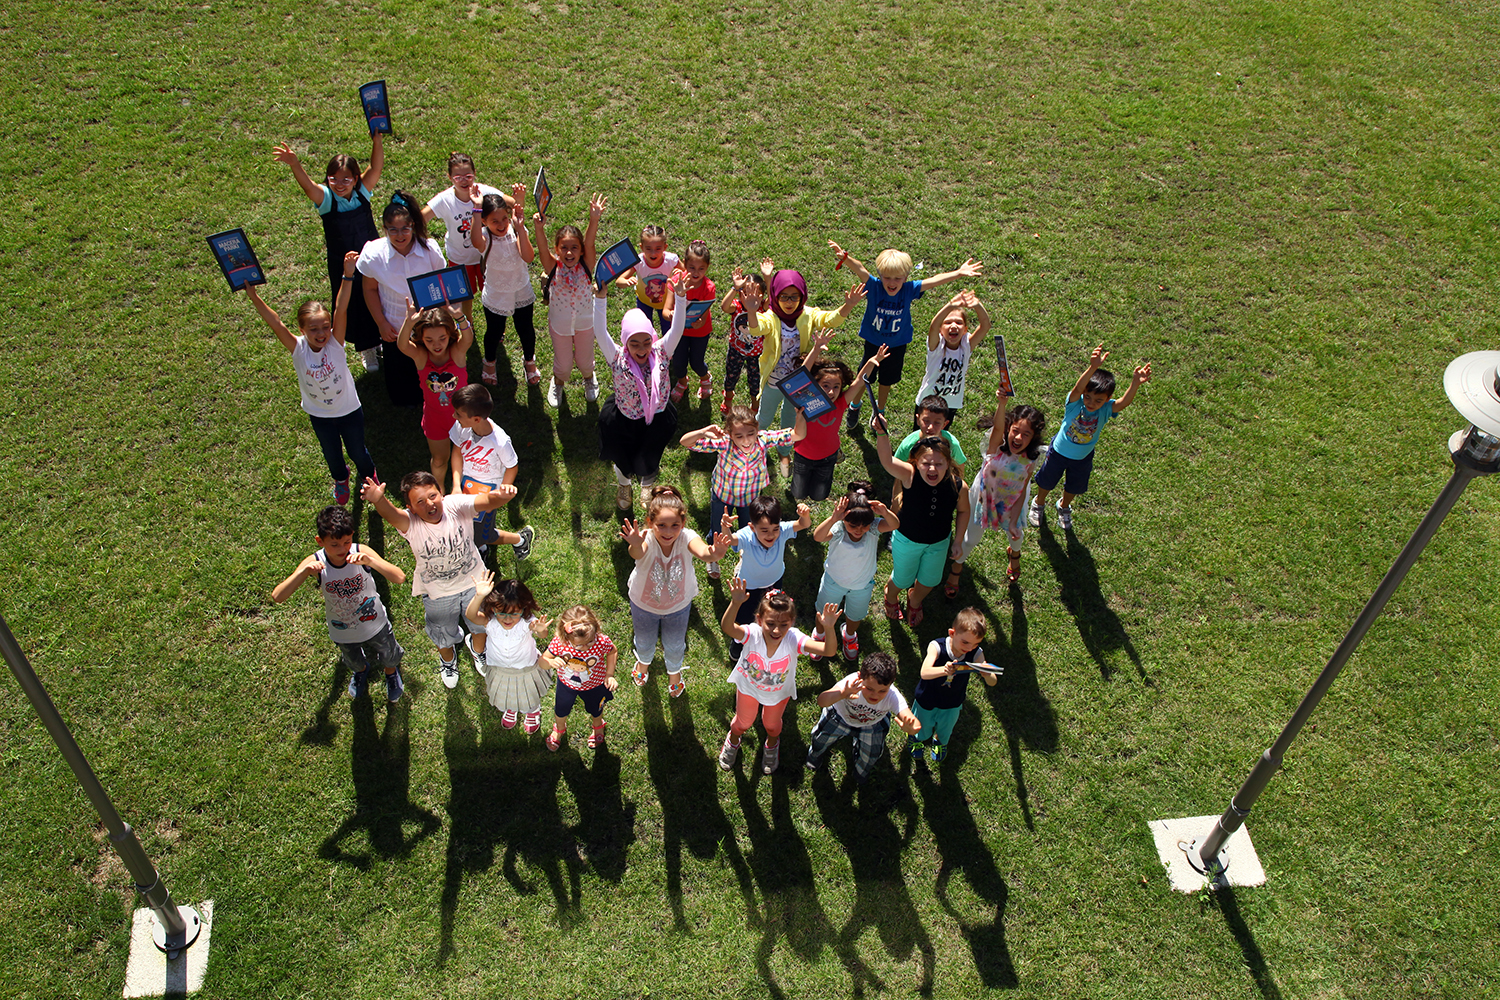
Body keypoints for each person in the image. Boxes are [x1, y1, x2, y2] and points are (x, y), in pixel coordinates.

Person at [360, 471, 518, 689]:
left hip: (475, 585)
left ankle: (478, 650)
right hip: (437, 594)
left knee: (481, 624)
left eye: (433, 496)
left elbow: (487, 500)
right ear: (411, 508)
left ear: (441, 493)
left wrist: (503, 495)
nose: (429, 504)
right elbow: (391, 515)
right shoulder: (411, 524)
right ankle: (448, 660)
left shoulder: (456, 505)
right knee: (443, 633)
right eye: (420, 502)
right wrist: (378, 500)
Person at [243, 251, 375, 504]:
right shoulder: (297, 348)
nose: (321, 333)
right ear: (302, 330)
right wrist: (255, 298)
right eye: (313, 329)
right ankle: (341, 478)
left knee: (358, 450)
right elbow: (275, 322)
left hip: (349, 410)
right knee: (332, 454)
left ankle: (370, 478)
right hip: (320, 416)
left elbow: (341, 307)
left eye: (325, 326)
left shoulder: (336, 343)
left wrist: (348, 275)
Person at [825, 241, 982, 430]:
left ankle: (879, 411)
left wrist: (958, 273)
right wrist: (845, 258)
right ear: (880, 275)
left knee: (887, 381)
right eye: (887, 277)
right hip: (873, 343)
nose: (892, 283)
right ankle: (855, 405)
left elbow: (934, 280)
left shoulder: (909, 290)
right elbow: (860, 269)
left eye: (897, 278)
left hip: (897, 345)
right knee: (864, 376)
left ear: (906, 276)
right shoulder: (874, 287)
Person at [270, 505, 406, 703]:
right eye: (334, 545)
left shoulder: (361, 552)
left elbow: (399, 577)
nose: (343, 549)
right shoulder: (316, 562)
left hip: (375, 622)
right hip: (342, 629)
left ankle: (391, 673)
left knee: (389, 655)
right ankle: (360, 672)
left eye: (347, 541)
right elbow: (278, 596)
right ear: (320, 541)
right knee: (353, 660)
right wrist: (303, 572)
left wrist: (371, 561)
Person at [271, 135, 384, 372]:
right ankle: (367, 349)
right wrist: (295, 164)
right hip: (344, 266)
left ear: (355, 179)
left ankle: (382, 337)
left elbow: (375, 167)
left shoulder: (363, 191)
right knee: (353, 305)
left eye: (346, 179)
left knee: (380, 297)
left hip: (373, 261)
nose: (339, 184)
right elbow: (308, 185)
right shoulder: (325, 199)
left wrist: (377, 140)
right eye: (333, 179)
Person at [744, 270, 866, 478]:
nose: (789, 302)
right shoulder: (770, 317)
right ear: (775, 296)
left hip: (799, 382)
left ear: (802, 296)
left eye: (794, 296)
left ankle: (784, 453)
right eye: (784, 296)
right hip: (774, 381)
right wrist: (752, 312)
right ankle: (750, 446)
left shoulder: (808, 315)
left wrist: (849, 305)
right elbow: (756, 329)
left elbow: (832, 319)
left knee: (789, 420)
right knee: (764, 418)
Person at [718, 583, 839, 775]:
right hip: (749, 688)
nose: (776, 630)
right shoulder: (752, 633)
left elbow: (829, 650)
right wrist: (735, 603)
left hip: (778, 693)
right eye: (770, 624)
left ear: (792, 622)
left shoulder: (793, 639)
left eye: (783, 625)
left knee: (772, 726)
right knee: (742, 722)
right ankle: (733, 740)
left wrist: (829, 628)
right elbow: (728, 627)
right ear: (759, 620)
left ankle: (772, 745)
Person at [620, 486, 730, 699]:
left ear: (683, 524)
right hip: (643, 605)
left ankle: (674, 672)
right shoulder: (645, 538)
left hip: (678, 606)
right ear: (650, 523)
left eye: (674, 525)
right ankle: (643, 663)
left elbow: (705, 553)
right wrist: (634, 543)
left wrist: (717, 551)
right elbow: (637, 552)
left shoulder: (687, 536)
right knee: (644, 640)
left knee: (675, 643)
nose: (668, 532)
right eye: (661, 525)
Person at [1027, 345, 1152, 531]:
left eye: (1098, 400)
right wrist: (1092, 367)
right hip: (1059, 452)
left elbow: (1123, 403)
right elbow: (1078, 388)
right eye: (1088, 397)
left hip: (1082, 458)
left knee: (1074, 486)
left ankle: (1064, 506)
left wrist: (1135, 384)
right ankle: (1039, 502)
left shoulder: (1106, 409)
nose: (1092, 403)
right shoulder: (1074, 403)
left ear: (1108, 398)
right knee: (1047, 480)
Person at [594, 271, 689, 510]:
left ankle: (647, 485)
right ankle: (624, 484)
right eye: (634, 343)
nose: (642, 348)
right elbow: (599, 331)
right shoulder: (617, 357)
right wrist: (600, 300)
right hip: (623, 420)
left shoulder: (661, 351)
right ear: (625, 343)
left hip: (656, 418)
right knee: (623, 458)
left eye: (646, 341)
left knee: (650, 456)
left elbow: (677, 329)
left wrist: (679, 298)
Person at [679, 405, 802, 578]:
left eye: (750, 433)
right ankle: (712, 557)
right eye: (739, 436)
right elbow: (685, 442)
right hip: (723, 497)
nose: (746, 440)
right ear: (730, 434)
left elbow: (798, 434)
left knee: (748, 530)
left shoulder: (763, 439)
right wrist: (704, 431)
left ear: (757, 429)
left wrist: (800, 417)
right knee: (717, 529)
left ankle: (744, 556)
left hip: (750, 499)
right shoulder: (724, 443)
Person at [872, 424, 969, 628]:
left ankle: (915, 600)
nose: (932, 468)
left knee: (931, 580)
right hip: (907, 540)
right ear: (916, 463)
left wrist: (958, 540)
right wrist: (882, 433)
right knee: (901, 578)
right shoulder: (910, 476)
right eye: (926, 463)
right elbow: (887, 461)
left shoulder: (959, 486)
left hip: (938, 544)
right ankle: (891, 596)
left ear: (948, 463)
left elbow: (963, 511)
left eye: (939, 463)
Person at [356, 191, 445, 406]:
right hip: (395, 326)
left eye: (405, 228)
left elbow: (442, 284)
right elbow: (369, 290)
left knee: (430, 372)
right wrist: (381, 323)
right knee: (400, 388)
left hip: (427, 326)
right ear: (385, 229)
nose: (400, 235)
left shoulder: (430, 249)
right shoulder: (373, 253)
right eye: (393, 230)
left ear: (413, 226)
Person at [952, 393, 1046, 589]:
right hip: (984, 498)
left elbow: (1022, 489)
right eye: (1015, 430)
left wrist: (1012, 522)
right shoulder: (995, 447)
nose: (1018, 437)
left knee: (1016, 535)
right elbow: (997, 429)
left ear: (1033, 438)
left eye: (1026, 434)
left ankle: (1015, 554)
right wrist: (1002, 404)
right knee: (971, 539)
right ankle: (956, 568)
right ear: (1007, 429)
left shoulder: (1031, 458)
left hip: (1013, 500)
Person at [789, 329, 887, 501]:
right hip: (803, 456)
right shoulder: (806, 401)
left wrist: (872, 362)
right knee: (798, 493)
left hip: (828, 457)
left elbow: (858, 383)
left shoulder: (841, 403)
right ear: (814, 384)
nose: (831, 391)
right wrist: (817, 348)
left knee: (820, 495)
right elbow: (801, 376)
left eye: (836, 386)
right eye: (825, 385)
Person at [809, 483, 899, 663]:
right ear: (844, 519)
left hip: (861, 586)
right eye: (853, 525)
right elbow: (818, 536)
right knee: (824, 613)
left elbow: (894, 524)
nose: (859, 530)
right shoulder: (839, 529)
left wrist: (885, 511)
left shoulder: (873, 528)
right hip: (833, 582)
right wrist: (834, 518)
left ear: (871, 521)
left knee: (855, 616)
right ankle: (819, 634)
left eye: (864, 525)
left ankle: (849, 635)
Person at [719, 496, 813, 666]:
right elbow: (729, 541)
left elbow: (804, 524)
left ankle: (764, 637)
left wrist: (804, 515)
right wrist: (725, 527)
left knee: (771, 614)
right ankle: (738, 643)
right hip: (749, 587)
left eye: (775, 529)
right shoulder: (746, 536)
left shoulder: (783, 531)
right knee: (744, 617)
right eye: (764, 530)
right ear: (752, 527)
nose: (771, 535)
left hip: (774, 582)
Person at [804, 652, 921, 784]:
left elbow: (912, 721)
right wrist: (842, 694)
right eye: (869, 688)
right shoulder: (850, 684)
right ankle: (815, 754)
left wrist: (912, 728)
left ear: (891, 684)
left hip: (872, 725)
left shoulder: (893, 696)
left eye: (882, 691)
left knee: (872, 754)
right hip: (839, 717)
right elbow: (822, 701)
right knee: (820, 738)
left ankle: (861, 770)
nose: (875, 695)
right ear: (860, 677)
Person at [448, 384, 535, 559]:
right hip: (465, 486)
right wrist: (456, 485)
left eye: (458, 414)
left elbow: (512, 466)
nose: (454, 416)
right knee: (463, 524)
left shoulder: (501, 442)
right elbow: (457, 453)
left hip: (487, 492)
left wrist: (501, 492)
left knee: (484, 534)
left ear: (476, 419)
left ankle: (520, 539)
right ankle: (480, 549)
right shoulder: (461, 427)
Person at [534, 195, 606, 407]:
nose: (569, 252)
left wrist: (594, 220)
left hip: (585, 323)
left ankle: (588, 379)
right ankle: (557, 382)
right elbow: (541, 248)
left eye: (574, 247)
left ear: (581, 250)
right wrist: (539, 228)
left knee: (585, 362)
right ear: (557, 250)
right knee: (563, 365)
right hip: (560, 325)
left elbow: (590, 241)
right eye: (564, 248)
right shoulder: (553, 267)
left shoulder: (587, 265)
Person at [396, 300, 472, 491]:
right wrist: (409, 322)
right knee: (439, 461)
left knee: (464, 458)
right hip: (435, 418)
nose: (436, 345)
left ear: (450, 335)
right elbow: (403, 345)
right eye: (429, 340)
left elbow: (468, 338)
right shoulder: (422, 357)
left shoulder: (456, 352)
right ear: (422, 338)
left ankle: (461, 494)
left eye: (442, 338)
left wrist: (459, 317)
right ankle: (439, 493)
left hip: (463, 418)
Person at [464, 572, 553, 733]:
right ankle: (511, 708)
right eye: (501, 613)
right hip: (500, 669)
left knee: (529, 693)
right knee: (507, 692)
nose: (507, 618)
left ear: (524, 609)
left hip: (526, 669)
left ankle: (532, 710)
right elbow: (470, 615)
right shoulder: (490, 621)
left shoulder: (527, 622)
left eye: (514, 614)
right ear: (493, 609)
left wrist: (541, 630)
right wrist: (478, 596)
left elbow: (541, 634)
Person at [908, 608, 998, 764]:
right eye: (965, 642)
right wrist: (944, 670)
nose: (969, 648)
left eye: (975, 644)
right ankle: (917, 739)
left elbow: (993, 682)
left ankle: (940, 741)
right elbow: (924, 672)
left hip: (952, 702)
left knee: (945, 728)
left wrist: (987, 673)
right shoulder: (936, 646)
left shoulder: (976, 653)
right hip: (927, 698)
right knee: (921, 725)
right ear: (952, 633)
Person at [420, 152, 501, 323]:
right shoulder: (444, 200)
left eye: (468, 176)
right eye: (458, 177)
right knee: (466, 295)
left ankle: (494, 325)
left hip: (484, 256)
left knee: (491, 292)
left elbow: (508, 202)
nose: (464, 181)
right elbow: (421, 219)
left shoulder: (484, 192)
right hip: (459, 258)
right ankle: (468, 323)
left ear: (475, 173)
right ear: (449, 177)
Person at [470, 187, 538, 386]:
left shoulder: (515, 231)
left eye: (504, 219)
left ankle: (529, 361)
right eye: (494, 221)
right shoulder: (485, 237)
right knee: (494, 331)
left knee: (526, 329)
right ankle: (489, 362)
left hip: (520, 290)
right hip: (496, 293)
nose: (501, 225)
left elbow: (528, 257)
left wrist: (520, 229)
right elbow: (475, 241)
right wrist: (476, 207)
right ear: (484, 221)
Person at [538, 606, 618, 751]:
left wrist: (609, 674)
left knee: (596, 708)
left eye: (590, 642)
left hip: (595, 685)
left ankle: (598, 725)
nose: (586, 648)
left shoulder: (601, 641)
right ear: (566, 636)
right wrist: (550, 662)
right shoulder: (560, 643)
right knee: (561, 709)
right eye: (580, 645)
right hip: (566, 685)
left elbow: (612, 651)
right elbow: (542, 661)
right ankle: (559, 728)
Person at [915, 289, 991, 415]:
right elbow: (933, 326)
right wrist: (951, 304)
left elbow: (985, 326)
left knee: (942, 434)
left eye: (959, 322)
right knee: (921, 434)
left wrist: (977, 305)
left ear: (965, 329)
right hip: (927, 402)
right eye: (948, 322)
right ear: (940, 329)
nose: (954, 325)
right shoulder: (936, 346)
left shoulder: (966, 346)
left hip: (950, 404)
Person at [717, 260, 774, 416]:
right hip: (736, 349)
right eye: (745, 292)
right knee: (731, 376)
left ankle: (755, 405)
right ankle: (728, 399)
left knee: (755, 383)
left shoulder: (763, 308)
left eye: (754, 294)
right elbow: (724, 306)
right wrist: (735, 287)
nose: (749, 297)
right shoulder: (737, 305)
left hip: (757, 354)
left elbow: (774, 299)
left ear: (762, 296)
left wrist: (767, 278)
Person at [666, 239, 716, 403]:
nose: (696, 272)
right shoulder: (675, 281)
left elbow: (704, 313)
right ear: (685, 264)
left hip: (699, 332)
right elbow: (666, 310)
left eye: (701, 269)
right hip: (679, 332)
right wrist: (671, 315)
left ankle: (705, 377)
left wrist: (700, 322)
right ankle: (682, 382)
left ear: (707, 267)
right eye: (692, 267)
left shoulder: (709, 287)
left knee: (696, 362)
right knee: (678, 364)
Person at [614, 223, 679, 333]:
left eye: (658, 248)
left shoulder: (671, 260)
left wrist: (680, 273)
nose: (653, 253)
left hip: (667, 302)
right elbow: (618, 281)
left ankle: (667, 350)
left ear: (665, 247)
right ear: (641, 247)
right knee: (644, 329)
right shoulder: (639, 261)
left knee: (668, 330)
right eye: (648, 249)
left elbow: (686, 273)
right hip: (643, 301)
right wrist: (625, 282)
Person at [893, 395, 969, 477]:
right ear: (918, 420)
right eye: (926, 421)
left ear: (944, 424)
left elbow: (959, 466)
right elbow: (896, 466)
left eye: (937, 423)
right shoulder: (908, 444)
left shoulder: (951, 443)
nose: (930, 427)